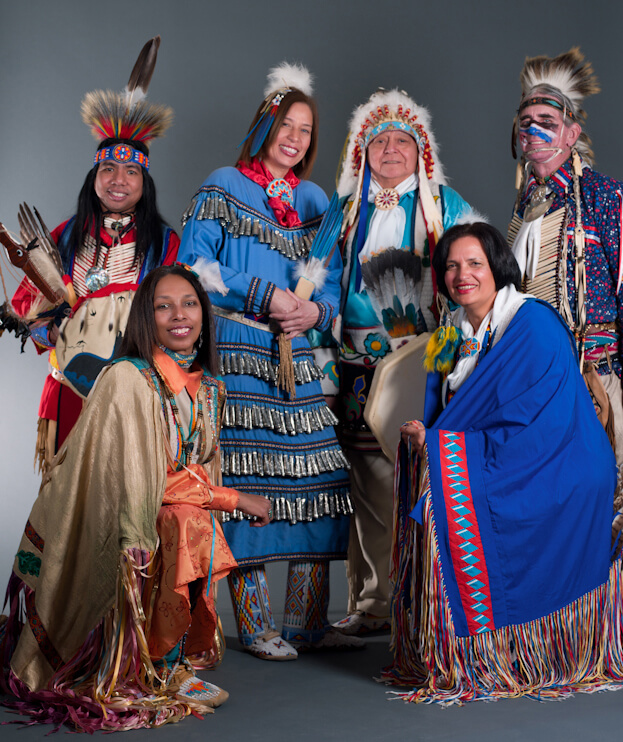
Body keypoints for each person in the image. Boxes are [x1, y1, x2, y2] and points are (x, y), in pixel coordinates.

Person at [0, 264, 272, 731]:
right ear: (146, 318)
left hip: (160, 510)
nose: (178, 315)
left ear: (204, 315)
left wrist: (212, 496)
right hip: (114, 519)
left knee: (186, 516)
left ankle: (165, 658)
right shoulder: (129, 378)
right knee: (184, 518)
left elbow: (193, 466)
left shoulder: (208, 388)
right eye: (163, 306)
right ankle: (140, 664)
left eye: (189, 303)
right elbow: (139, 480)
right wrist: (233, 499)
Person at [382, 222, 621, 703]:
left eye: (474, 263)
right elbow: (443, 410)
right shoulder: (448, 334)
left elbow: (537, 421)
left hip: (556, 463)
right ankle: (463, 651)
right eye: (450, 265)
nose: (461, 274)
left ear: (498, 268)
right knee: (437, 500)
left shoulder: (532, 323)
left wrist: (439, 442)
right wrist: (429, 438)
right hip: (494, 456)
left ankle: (507, 652)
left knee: (447, 503)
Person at [177, 63, 356, 660]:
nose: (296, 138)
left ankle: (308, 622)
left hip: (297, 354)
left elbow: (329, 282)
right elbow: (195, 266)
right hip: (237, 346)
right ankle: (254, 626)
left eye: (306, 130)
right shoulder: (223, 184)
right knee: (249, 478)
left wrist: (317, 313)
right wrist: (263, 295)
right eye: (287, 124)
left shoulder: (315, 200)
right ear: (264, 124)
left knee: (319, 480)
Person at [330, 89, 478, 636]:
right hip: (357, 362)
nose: (390, 149)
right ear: (361, 153)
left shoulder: (446, 205)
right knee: (367, 478)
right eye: (379, 141)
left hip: (428, 356)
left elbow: (473, 282)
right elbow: (321, 282)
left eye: (402, 141)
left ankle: (429, 597)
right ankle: (374, 603)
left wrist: (447, 352)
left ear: (422, 152)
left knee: (424, 474)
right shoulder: (345, 213)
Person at [10, 37, 179, 473]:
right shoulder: (64, 237)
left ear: (145, 182)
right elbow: (27, 305)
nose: (118, 179)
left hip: (134, 388)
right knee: (67, 504)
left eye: (130, 171)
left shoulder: (164, 245)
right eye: (107, 169)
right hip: (69, 383)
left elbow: (180, 315)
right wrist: (49, 329)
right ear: (94, 177)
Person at [508, 48, 623, 534]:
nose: (534, 129)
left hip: (596, 376)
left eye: (547, 121)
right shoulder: (525, 206)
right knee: (551, 508)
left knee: (607, 501)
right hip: (540, 381)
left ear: (572, 133)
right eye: (527, 120)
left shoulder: (604, 195)